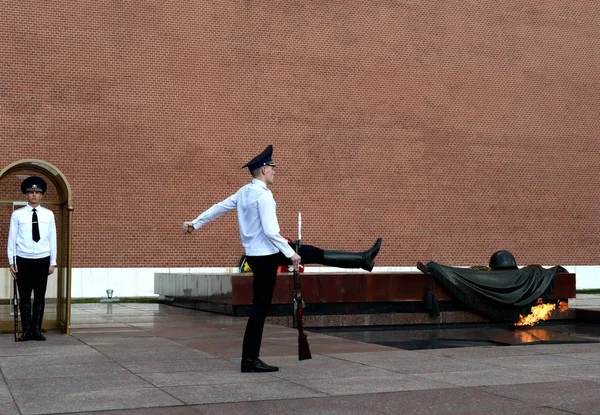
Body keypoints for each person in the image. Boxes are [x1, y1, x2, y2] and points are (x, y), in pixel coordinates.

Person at [182, 145, 382, 373]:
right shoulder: (263, 196)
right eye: (272, 167)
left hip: (258, 254)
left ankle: (362, 260)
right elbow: (270, 231)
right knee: (261, 306)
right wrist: (291, 254)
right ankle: (249, 360)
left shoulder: (245, 192)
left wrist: (195, 223)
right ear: (263, 169)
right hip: (267, 255)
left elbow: (219, 207)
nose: (275, 171)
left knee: (311, 252)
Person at [7, 176, 57, 341]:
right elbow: (12, 239)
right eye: (31, 192)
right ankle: (27, 330)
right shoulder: (18, 215)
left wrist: (52, 262)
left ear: (42, 195)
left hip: (43, 259)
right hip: (23, 259)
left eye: (37, 192)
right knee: (25, 295)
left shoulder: (48, 214)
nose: (34, 195)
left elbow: (52, 239)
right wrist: (12, 261)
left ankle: (37, 329)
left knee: (40, 296)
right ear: (26, 195)